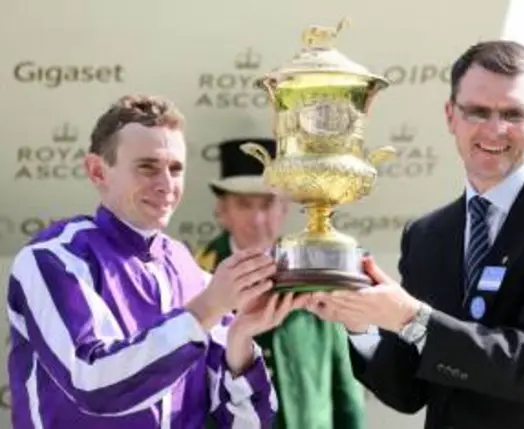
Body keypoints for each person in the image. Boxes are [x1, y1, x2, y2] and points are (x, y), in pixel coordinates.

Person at [307, 40, 524, 429]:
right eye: (477, 111)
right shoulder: (427, 235)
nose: (494, 129)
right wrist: (360, 321)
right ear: (450, 116)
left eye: (512, 113)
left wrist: (411, 317)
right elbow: (407, 393)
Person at [6, 94, 308, 429]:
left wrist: (240, 338)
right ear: (97, 170)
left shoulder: (190, 269)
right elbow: (93, 384)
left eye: (175, 169)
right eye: (147, 167)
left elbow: (245, 423)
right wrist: (206, 309)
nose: (166, 184)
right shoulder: (52, 259)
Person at [195, 137, 366, 429]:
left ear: (285, 208)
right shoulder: (196, 276)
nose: (258, 218)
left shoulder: (316, 272)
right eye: (244, 205)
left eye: (267, 204)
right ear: (222, 210)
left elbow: (343, 381)